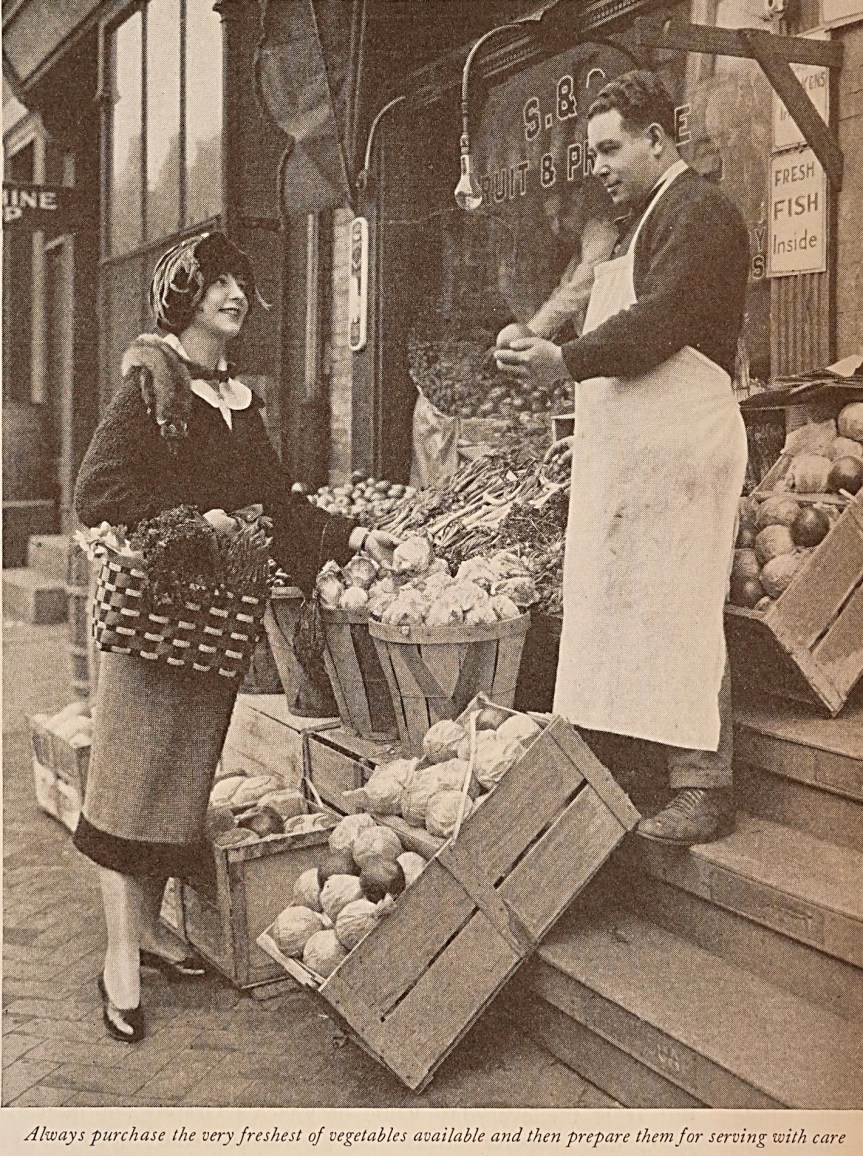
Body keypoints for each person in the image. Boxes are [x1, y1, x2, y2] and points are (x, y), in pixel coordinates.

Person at [74, 231, 398, 1042]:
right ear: (184, 294)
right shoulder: (153, 384)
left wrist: (354, 539)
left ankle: (148, 933)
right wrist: (198, 525)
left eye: (241, 283)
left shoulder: (240, 401)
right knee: (125, 784)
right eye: (216, 282)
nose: (234, 295)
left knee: (177, 784)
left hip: (211, 631)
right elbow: (98, 492)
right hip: (151, 623)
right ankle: (119, 955)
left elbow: (279, 506)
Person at [495, 71, 749, 847]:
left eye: (609, 148)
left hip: (681, 447)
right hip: (640, 452)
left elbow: (658, 322)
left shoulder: (698, 211)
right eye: (590, 152)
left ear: (655, 139)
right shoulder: (643, 222)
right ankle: (636, 770)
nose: (598, 166)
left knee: (682, 609)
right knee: (627, 608)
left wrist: (561, 361)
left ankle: (704, 785)